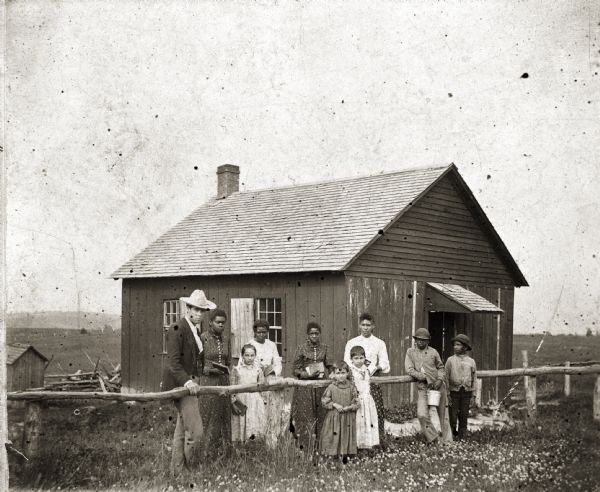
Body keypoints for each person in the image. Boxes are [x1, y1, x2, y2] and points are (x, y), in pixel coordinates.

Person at [161, 289, 216, 474]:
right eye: (196, 310)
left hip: (192, 383)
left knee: (181, 430)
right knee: (195, 432)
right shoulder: (177, 328)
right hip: (182, 385)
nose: (199, 314)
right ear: (188, 308)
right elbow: (173, 363)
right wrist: (187, 382)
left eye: (202, 311)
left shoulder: (194, 330)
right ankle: (193, 469)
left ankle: (177, 472)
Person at [343, 313, 390, 443]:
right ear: (359, 325)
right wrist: (357, 370)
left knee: (376, 411)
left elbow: (386, 364)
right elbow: (346, 361)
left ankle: (377, 442)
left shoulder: (379, 343)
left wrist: (375, 367)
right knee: (356, 411)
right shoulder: (352, 342)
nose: (365, 328)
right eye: (363, 325)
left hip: (372, 380)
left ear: (373, 326)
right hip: (355, 380)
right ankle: (355, 443)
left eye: (368, 325)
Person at [404, 328, 452, 444]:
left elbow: (441, 367)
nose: (420, 342)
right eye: (418, 339)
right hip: (423, 387)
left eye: (424, 340)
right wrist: (422, 377)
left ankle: (448, 442)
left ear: (428, 341)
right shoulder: (410, 352)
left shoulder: (433, 352)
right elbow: (409, 369)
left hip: (438, 386)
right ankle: (434, 438)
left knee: (443, 416)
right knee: (421, 414)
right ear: (415, 340)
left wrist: (440, 379)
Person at [290, 321, 332, 453]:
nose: (314, 336)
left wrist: (332, 375)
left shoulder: (325, 348)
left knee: (322, 415)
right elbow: (295, 369)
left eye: (316, 333)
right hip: (305, 388)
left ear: (320, 334)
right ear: (308, 335)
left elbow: (329, 365)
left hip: (320, 386)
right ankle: (305, 448)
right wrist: (306, 374)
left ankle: (322, 447)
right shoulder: (301, 348)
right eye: (311, 333)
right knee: (305, 416)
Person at [199, 308, 232, 451]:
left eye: (223, 323)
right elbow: (196, 365)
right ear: (210, 322)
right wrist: (210, 370)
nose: (221, 325)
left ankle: (222, 453)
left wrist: (226, 369)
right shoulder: (203, 338)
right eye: (218, 322)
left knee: (223, 415)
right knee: (208, 416)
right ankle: (205, 452)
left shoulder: (226, 339)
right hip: (208, 382)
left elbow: (229, 360)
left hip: (224, 382)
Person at [248, 319, 284, 449]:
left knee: (271, 411)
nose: (262, 335)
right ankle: (256, 442)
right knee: (257, 411)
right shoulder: (249, 345)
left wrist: (273, 371)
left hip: (270, 379)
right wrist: (259, 371)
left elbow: (277, 362)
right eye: (259, 332)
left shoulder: (272, 345)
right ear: (255, 332)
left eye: (264, 332)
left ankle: (271, 443)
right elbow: (246, 362)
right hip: (255, 380)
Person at [319, 361, 359, 459]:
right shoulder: (331, 387)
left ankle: (345, 455)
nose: (341, 376)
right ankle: (332, 456)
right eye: (338, 373)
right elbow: (325, 400)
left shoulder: (351, 387)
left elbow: (356, 402)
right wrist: (335, 405)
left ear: (347, 373)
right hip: (334, 416)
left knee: (345, 435)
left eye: (343, 373)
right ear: (334, 374)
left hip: (347, 417)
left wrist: (349, 407)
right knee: (333, 435)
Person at [230, 344, 267, 443]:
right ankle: (241, 447)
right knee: (241, 424)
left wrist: (263, 401)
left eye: (252, 355)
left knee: (254, 424)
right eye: (247, 355)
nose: (250, 358)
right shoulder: (236, 370)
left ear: (255, 356)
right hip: (241, 400)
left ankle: (254, 446)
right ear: (242, 356)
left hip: (255, 401)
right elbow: (232, 389)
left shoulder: (258, 370)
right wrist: (233, 402)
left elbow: (261, 388)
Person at [445, 334, 476, 440]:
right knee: (452, 416)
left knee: (463, 416)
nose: (455, 347)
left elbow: (474, 378)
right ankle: (451, 438)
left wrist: (473, 395)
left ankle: (462, 438)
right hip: (453, 392)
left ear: (465, 347)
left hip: (466, 393)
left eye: (458, 345)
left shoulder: (471, 362)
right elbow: (446, 378)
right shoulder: (450, 360)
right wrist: (447, 394)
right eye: (454, 345)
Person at [348, 345, 379, 449]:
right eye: (356, 358)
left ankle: (368, 444)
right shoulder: (350, 371)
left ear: (365, 358)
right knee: (358, 422)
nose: (359, 361)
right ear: (351, 359)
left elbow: (372, 368)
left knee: (368, 420)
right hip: (357, 399)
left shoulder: (366, 370)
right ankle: (357, 445)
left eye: (361, 358)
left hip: (367, 399)